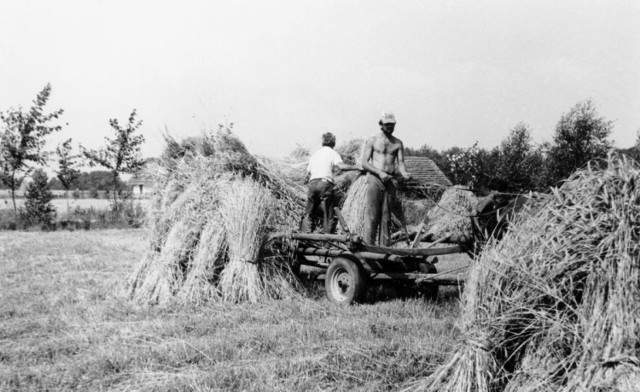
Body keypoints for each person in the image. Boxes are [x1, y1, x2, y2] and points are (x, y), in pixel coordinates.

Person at [361, 112, 412, 245]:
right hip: (375, 179)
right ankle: (369, 249)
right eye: (387, 124)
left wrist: (405, 173)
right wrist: (379, 173)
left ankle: (384, 250)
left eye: (392, 124)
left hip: (390, 180)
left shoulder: (398, 143)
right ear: (381, 124)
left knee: (386, 218)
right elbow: (365, 163)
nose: (389, 127)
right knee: (372, 215)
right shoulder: (372, 140)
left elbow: (401, 163)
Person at [300, 132, 359, 233]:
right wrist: (356, 167)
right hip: (325, 184)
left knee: (309, 213)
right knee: (328, 214)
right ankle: (327, 241)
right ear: (333, 143)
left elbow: (306, 176)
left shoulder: (315, 154)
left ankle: (305, 237)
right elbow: (341, 166)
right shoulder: (332, 153)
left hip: (313, 184)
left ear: (322, 142)